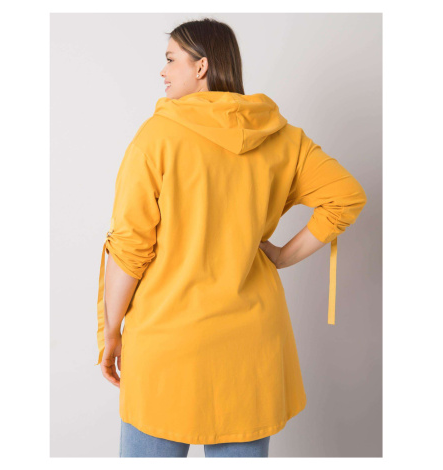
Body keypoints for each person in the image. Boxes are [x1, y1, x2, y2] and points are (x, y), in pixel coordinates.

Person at [95, 18, 368, 458]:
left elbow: (130, 248)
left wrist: (110, 333)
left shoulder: (157, 137)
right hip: (250, 351)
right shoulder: (283, 138)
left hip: (167, 345)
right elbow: (346, 196)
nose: (163, 71)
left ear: (201, 66)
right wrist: (281, 256)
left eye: (171, 59)